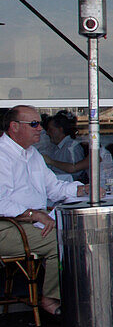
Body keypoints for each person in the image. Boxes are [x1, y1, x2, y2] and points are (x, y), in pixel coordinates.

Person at [0, 106, 88, 316]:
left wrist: (83, 189)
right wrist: (32, 213)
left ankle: (74, 297)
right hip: (7, 226)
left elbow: (55, 188)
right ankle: (50, 299)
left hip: (30, 222)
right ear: (14, 127)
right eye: (34, 124)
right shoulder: (2, 156)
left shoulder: (33, 155)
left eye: (39, 123)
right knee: (63, 240)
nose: (41, 128)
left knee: (78, 233)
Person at [40, 111, 85, 179]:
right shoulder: (54, 147)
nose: (47, 133)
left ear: (60, 129)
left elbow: (77, 173)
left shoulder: (72, 147)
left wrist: (51, 162)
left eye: (50, 130)